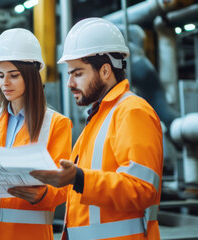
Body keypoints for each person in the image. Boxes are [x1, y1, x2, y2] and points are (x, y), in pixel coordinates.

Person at [30, 18, 163, 240]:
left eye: (78, 73)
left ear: (105, 71)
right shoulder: (99, 117)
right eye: (70, 74)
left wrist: (79, 178)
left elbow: (142, 189)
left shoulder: (132, 111)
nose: (69, 83)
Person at [0, 28, 72, 240]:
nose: (5, 83)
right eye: (0, 76)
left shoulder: (56, 124)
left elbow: (63, 186)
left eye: (14, 75)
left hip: (27, 235)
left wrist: (42, 195)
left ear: (32, 75)